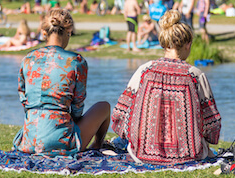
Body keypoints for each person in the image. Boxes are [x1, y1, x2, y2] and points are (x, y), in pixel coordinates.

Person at [111, 10, 221, 164]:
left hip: (141, 155)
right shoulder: (195, 75)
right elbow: (212, 124)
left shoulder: (145, 70)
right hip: (188, 156)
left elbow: (119, 114)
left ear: (164, 43)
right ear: (188, 44)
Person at [13, 9, 110, 156]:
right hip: (60, 141)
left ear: (44, 33)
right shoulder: (76, 61)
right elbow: (77, 106)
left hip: (28, 139)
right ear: (69, 32)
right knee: (104, 106)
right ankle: (97, 145)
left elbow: (24, 99)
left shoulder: (28, 59)